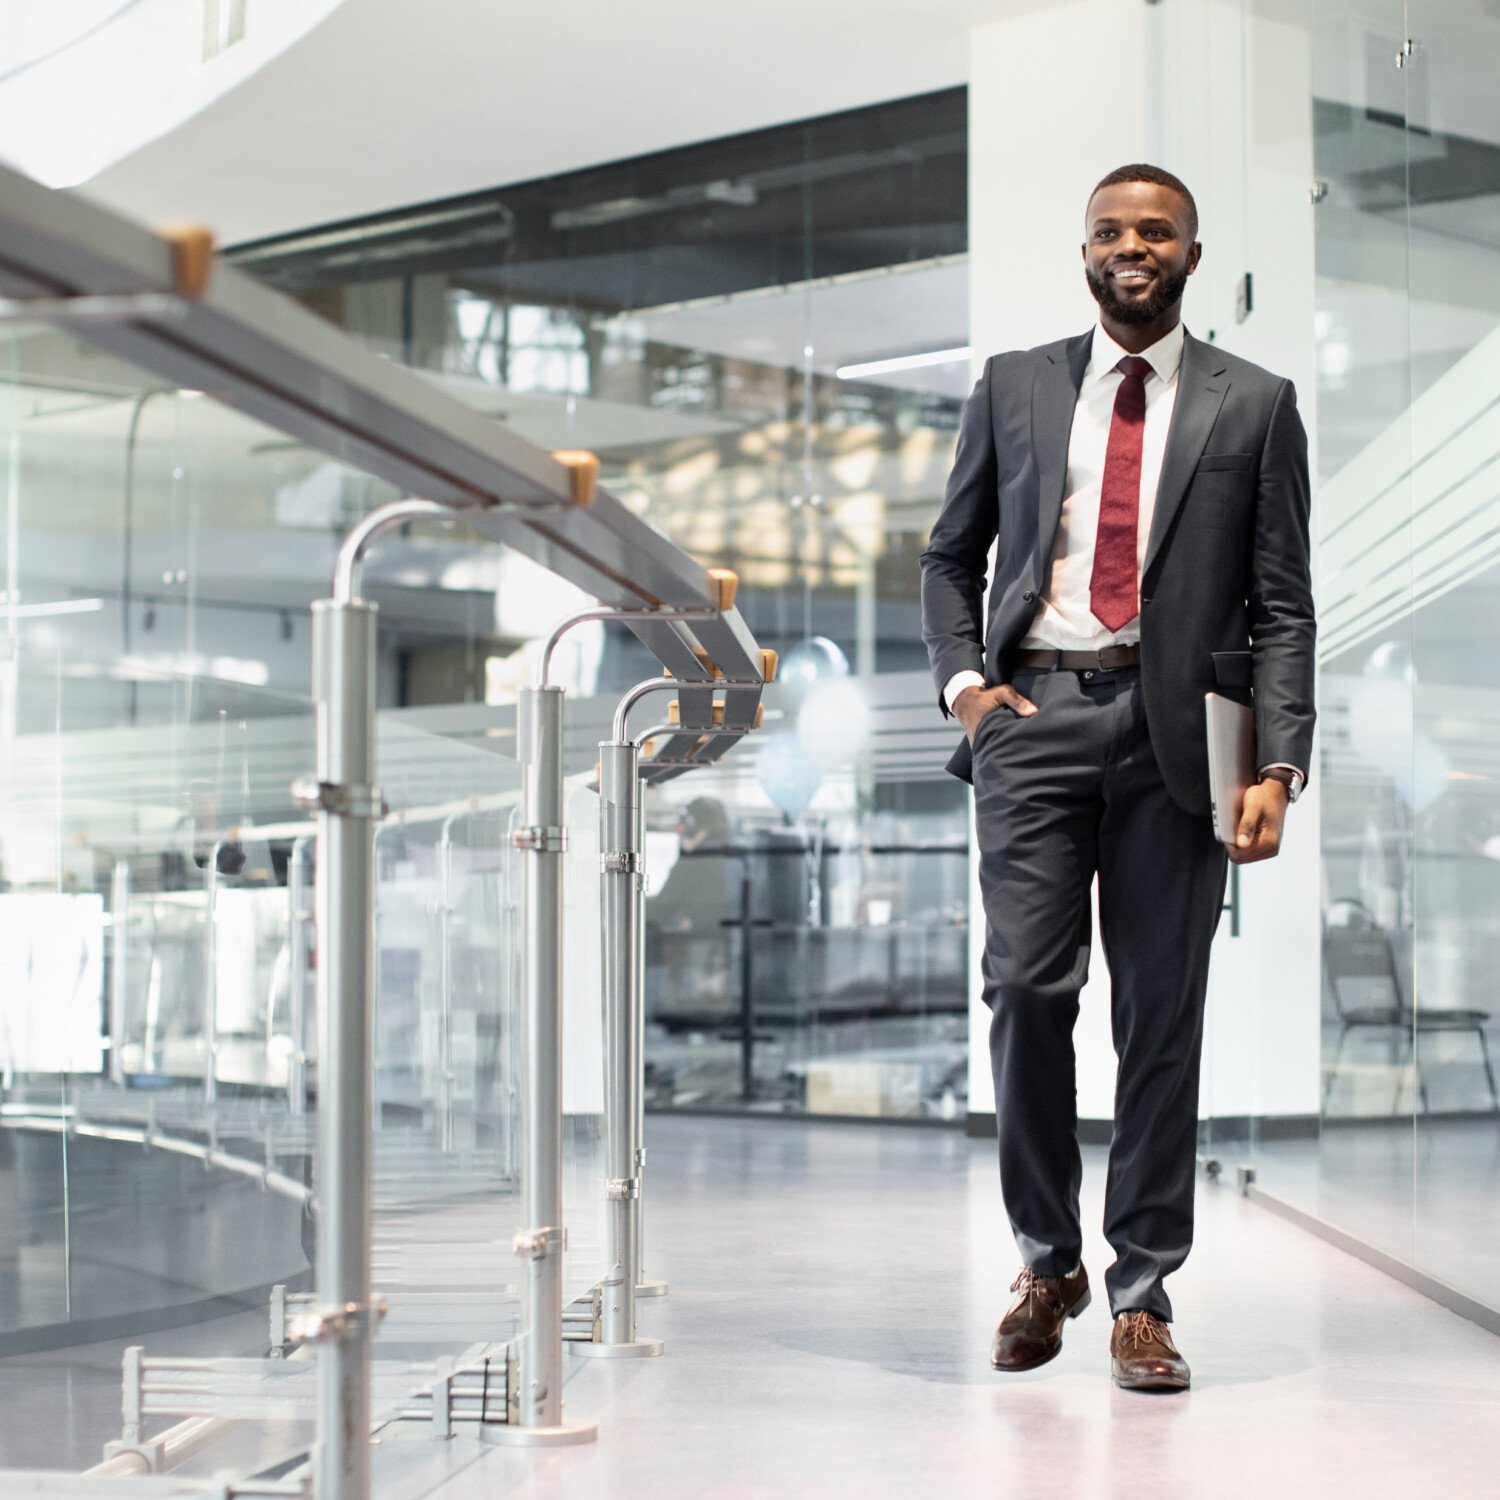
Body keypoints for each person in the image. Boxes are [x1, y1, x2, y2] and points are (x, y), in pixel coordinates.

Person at [919, 164, 1315, 1391]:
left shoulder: (1256, 403)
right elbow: (950, 559)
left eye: (1155, 231)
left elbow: (1285, 604)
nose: (1130, 247)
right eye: (1109, 231)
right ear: (1083, 252)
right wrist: (968, 693)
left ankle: (1142, 1288)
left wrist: (1279, 760)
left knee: (1161, 1018)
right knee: (1026, 992)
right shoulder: (1015, 385)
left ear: (1192, 254)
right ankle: (1048, 1261)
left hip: (1177, 738)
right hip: (1032, 715)